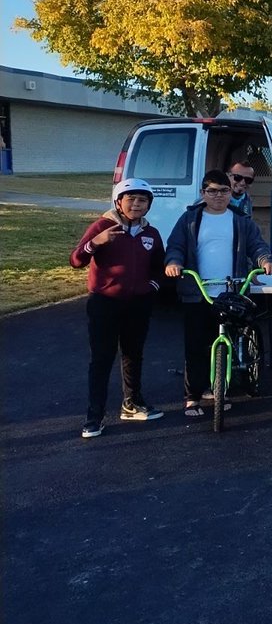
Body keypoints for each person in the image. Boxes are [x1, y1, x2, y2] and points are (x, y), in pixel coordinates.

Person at [165, 170, 272, 418]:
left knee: (226, 343)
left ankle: (220, 388)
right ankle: (192, 396)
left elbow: (256, 245)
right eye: (212, 191)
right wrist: (174, 262)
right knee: (195, 345)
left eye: (224, 191)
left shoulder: (240, 219)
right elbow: (175, 246)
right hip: (198, 292)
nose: (218, 196)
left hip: (230, 292)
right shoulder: (190, 219)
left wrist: (265, 259)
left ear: (231, 192)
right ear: (203, 193)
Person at [71, 178, 166, 438]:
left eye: (142, 200)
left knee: (133, 354)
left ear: (148, 205)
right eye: (131, 199)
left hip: (138, 303)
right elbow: (76, 260)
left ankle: (132, 403)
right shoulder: (103, 226)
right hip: (105, 303)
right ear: (118, 202)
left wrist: (153, 286)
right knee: (101, 358)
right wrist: (96, 242)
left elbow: (159, 265)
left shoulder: (151, 233)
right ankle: (94, 416)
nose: (136, 204)